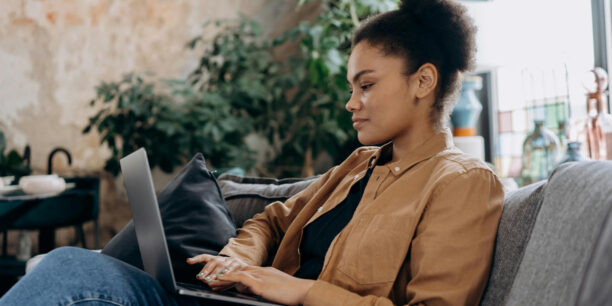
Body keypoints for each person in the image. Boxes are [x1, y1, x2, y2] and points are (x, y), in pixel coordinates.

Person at [0, 0, 503, 305]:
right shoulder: (359, 167)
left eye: (366, 85)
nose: (352, 103)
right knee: (66, 267)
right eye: (352, 86)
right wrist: (235, 262)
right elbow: (272, 220)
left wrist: (302, 291)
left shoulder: (461, 183)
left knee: (71, 272)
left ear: (424, 80)